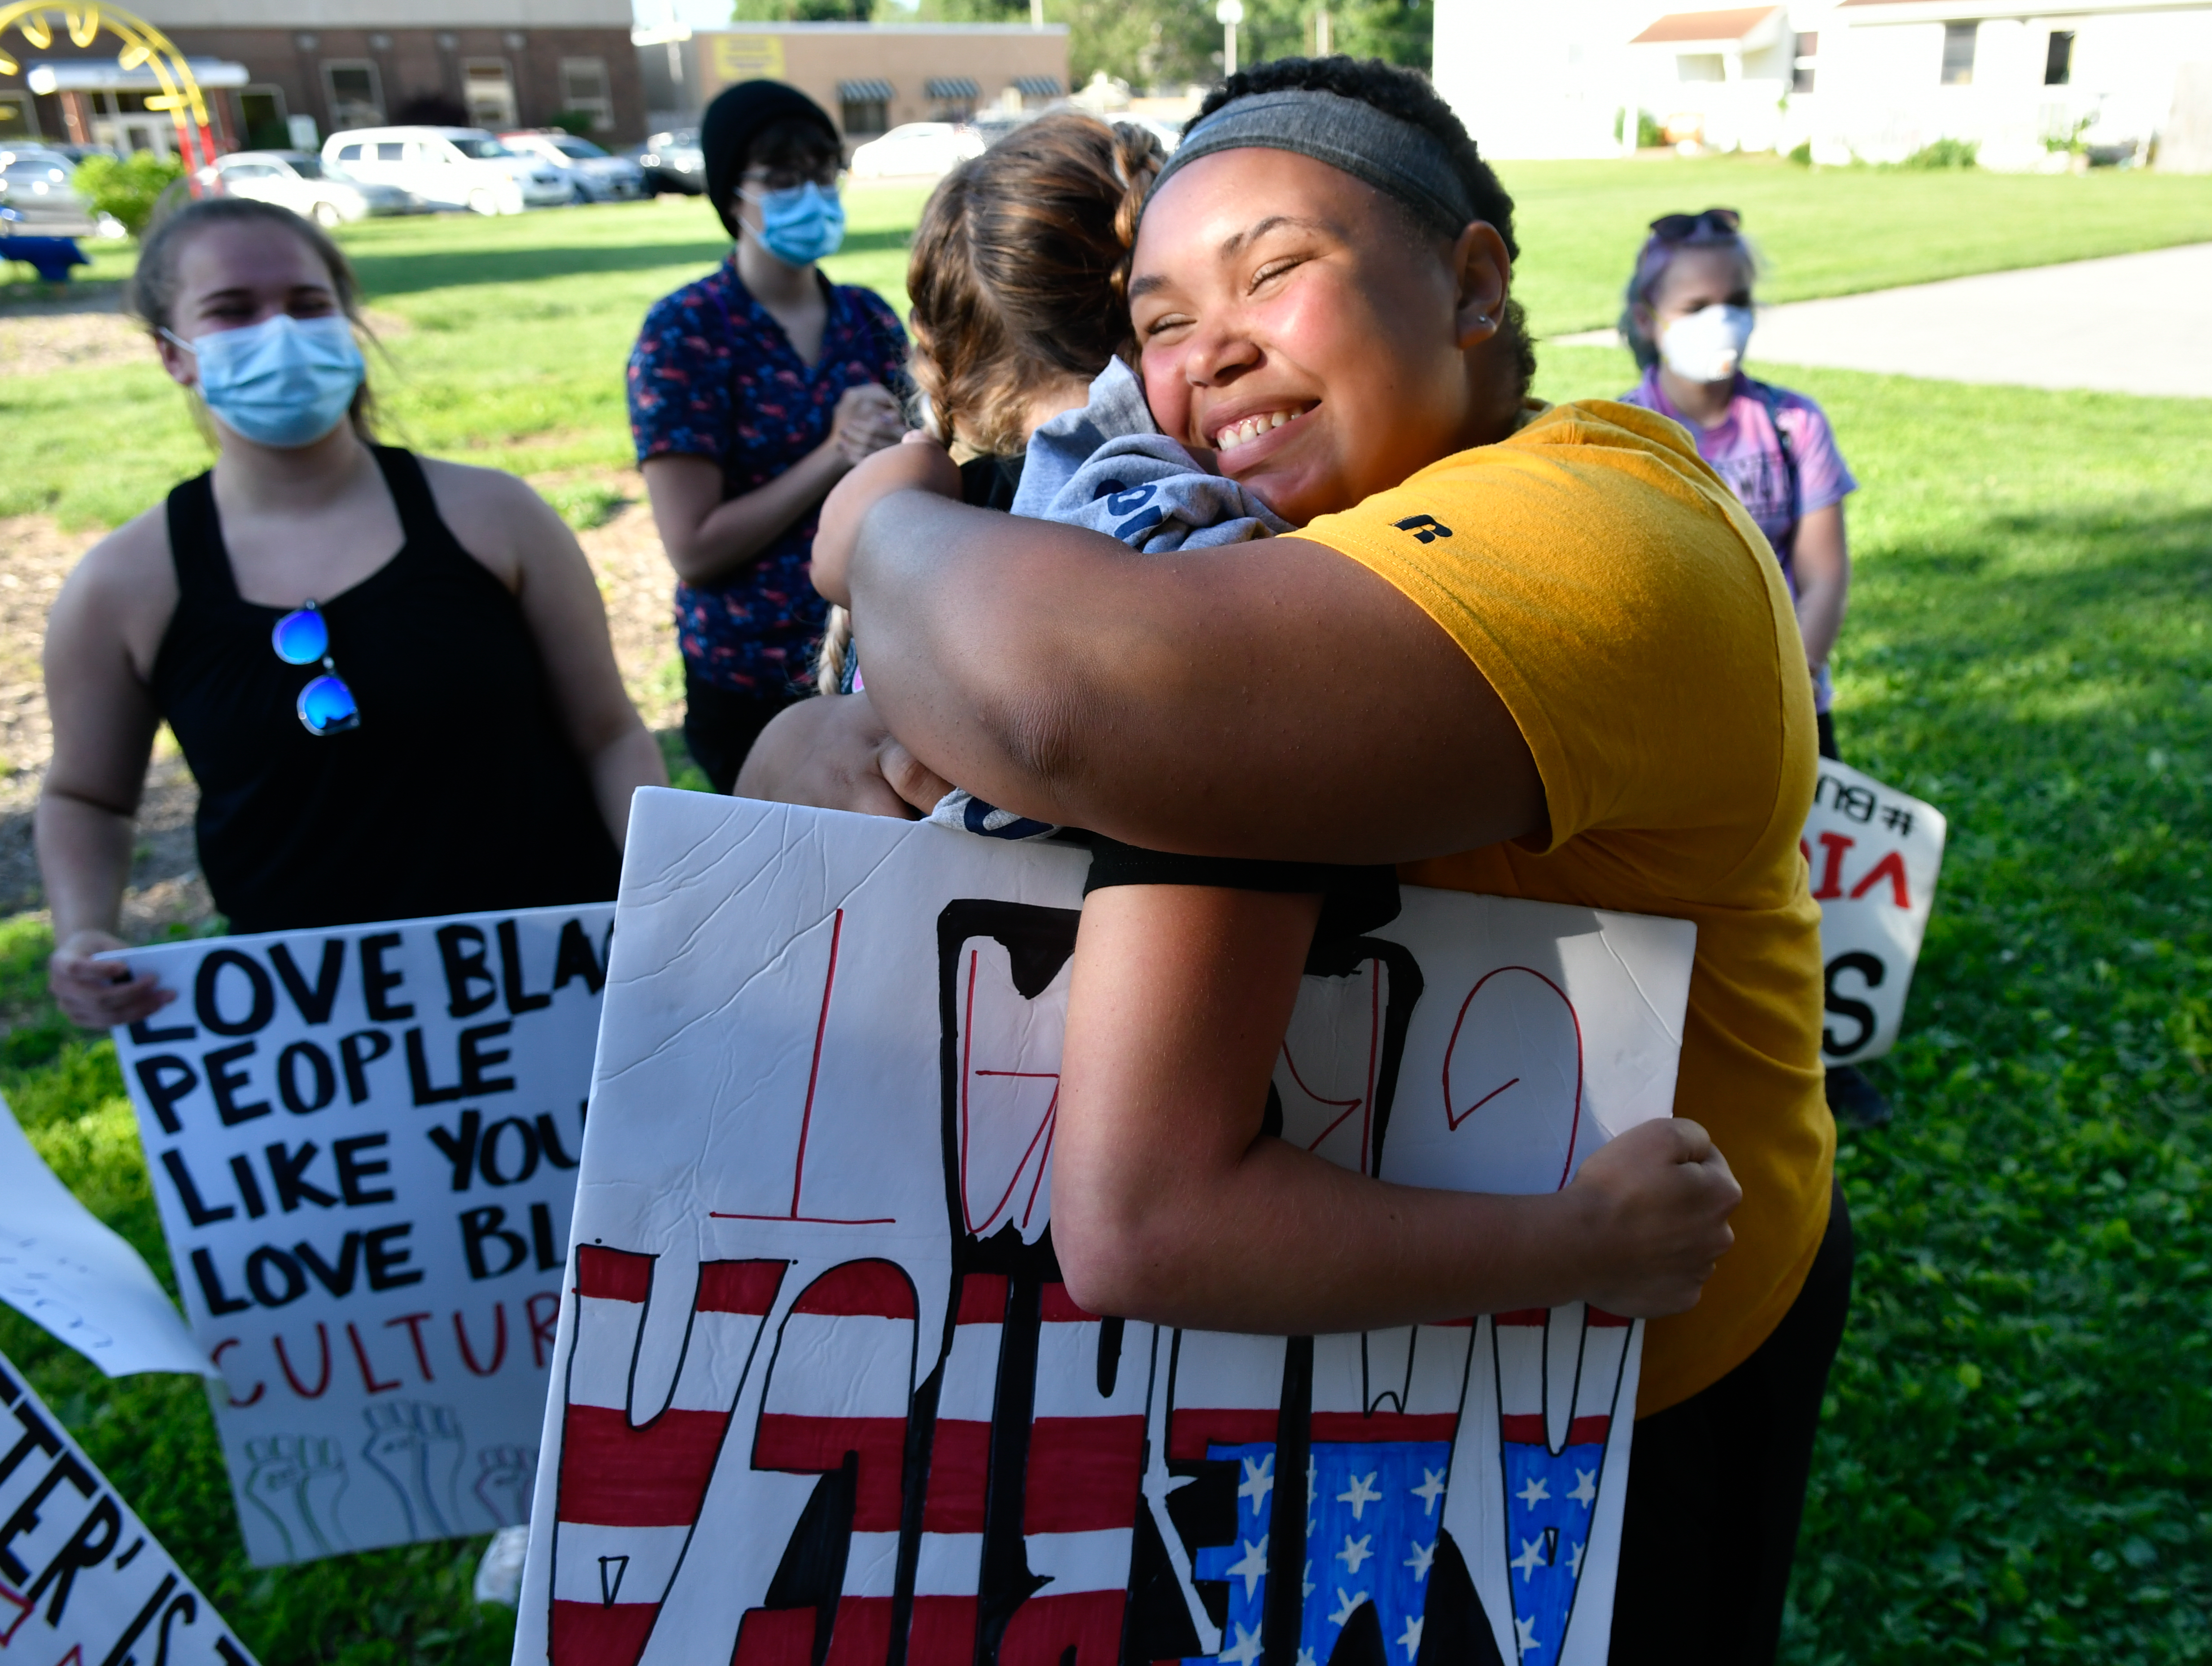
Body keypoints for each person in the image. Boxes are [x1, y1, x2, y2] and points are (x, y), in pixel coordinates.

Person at [778, 57, 1845, 1666]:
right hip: (1348, 1373)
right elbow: (867, 770)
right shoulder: (1274, 548)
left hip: (1633, 1385)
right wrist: (833, 745)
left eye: (1275, 270)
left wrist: (873, 527)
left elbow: (1073, 698)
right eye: (1156, 321)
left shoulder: (1603, 530)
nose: (1208, 352)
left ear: (1474, 283)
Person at [41, 196, 664, 1029]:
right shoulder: (120, 585)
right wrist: (85, 930)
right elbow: (87, 795)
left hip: (554, 987)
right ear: (173, 354)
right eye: (233, 311)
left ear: (349, 323)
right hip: (317, 1040)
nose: (281, 332)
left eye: (307, 305)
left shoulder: (498, 518)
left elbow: (609, 734)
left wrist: (665, 889)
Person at [1613, 209, 1888, 1130]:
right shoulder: (1621, 431)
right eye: (1698, 303)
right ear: (1650, 317)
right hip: (1681, 722)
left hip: (1794, 708)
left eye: (1736, 302)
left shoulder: (1791, 424)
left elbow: (1823, 570)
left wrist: (1784, 688)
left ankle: (1822, 1057)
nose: (1720, 319)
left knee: (1806, 892)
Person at [630, 80, 908, 792]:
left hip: (871, 661)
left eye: (821, 173)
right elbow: (694, 548)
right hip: (748, 675)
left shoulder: (868, 319)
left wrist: (904, 443)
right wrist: (833, 456)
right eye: (782, 179)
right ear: (732, 196)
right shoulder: (687, 333)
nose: (810, 194)